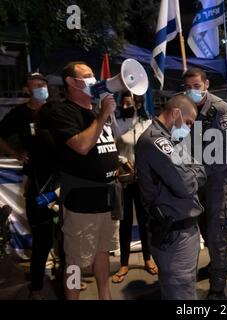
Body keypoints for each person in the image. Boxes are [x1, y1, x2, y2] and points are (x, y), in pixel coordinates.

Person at [44, 61, 120, 300]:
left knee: (102, 252)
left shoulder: (95, 112)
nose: (93, 79)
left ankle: (105, 296)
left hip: (106, 199)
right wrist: (103, 114)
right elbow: (82, 145)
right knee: (75, 262)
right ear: (71, 82)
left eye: (93, 75)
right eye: (87, 76)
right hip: (81, 202)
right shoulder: (64, 112)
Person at [135, 95, 206, 300]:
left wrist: (192, 172)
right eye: (189, 122)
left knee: (183, 287)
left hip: (181, 230)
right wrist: (193, 172)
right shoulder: (157, 141)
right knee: (180, 292)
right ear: (175, 113)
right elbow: (187, 185)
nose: (190, 128)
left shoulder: (170, 139)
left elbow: (199, 169)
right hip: (174, 234)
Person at [0, 73, 58, 300]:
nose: (41, 88)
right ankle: (36, 287)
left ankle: (66, 278)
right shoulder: (19, 114)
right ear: (27, 89)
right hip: (37, 184)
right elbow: (1, 134)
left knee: (64, 236)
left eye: (43, 85)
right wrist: (15, 153)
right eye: (36, 86)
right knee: (42, 239)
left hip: (62, 183)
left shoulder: (55, 110)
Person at [183, 68, 227, 299]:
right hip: (194, 182)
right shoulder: (185, 106)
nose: (192, 91)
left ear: (206, 84)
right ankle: (215, 265)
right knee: (203, 228)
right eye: (189, 87)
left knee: (216, 232)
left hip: (214, 181)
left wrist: (201, 171)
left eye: (197, 86)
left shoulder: (220, 109)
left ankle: (219, 284)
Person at [112, 92, 158, 283]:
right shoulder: (117, 123)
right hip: (124, 179)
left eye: (129, 103)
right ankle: (124, 263)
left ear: (139, 104)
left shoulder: (147, 123)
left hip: (143, 178)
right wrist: (123, 161)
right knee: (125, 221)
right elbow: (112, 147)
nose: (126, 106)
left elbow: (152, 146)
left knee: (145, 219)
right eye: (123, 103)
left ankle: (148, 258)